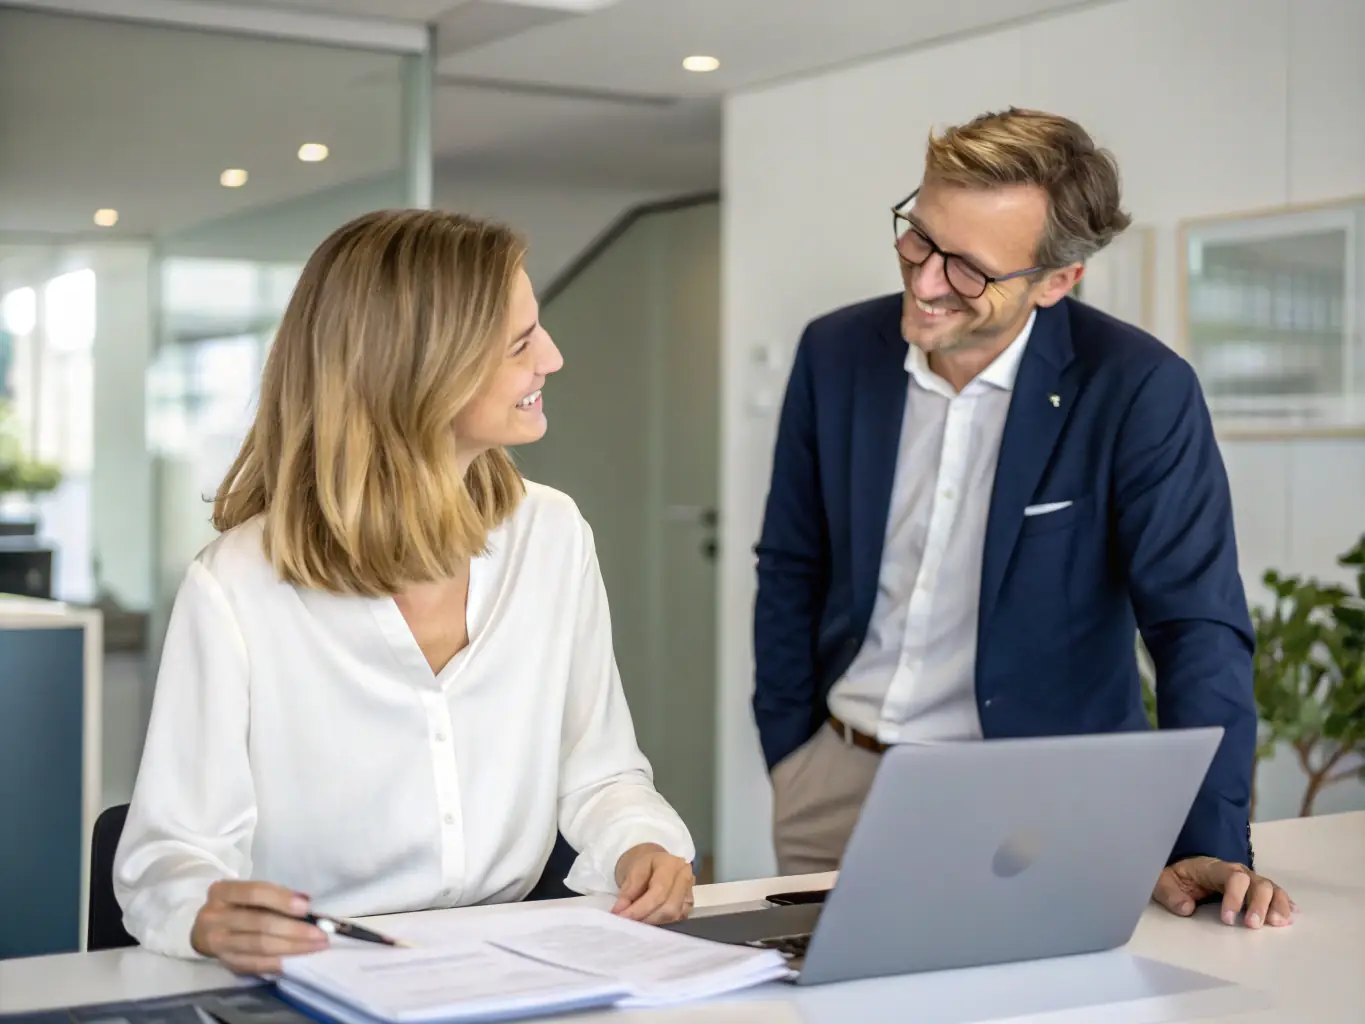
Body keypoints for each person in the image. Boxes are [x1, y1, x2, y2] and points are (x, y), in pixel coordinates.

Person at [114, 209, 696, 975]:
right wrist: (204, 914)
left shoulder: (551, 536)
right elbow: (171, 853)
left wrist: (640, 844)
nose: (551, 357)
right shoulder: (235, 585)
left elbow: (601, 772)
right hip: (317, 971)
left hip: (512, 962)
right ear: (423, 372)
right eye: (521, 343)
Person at [752, 108, 1294, 930]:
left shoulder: (1137, 388)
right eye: (917, 238)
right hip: (840, 782)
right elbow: (793, 562)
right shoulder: (834, 353)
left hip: (1046, 803)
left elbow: (1194, 624)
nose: (926, 281)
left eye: (968, 270)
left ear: (1056, 280)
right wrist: (790, 747)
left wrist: (1209, 836)